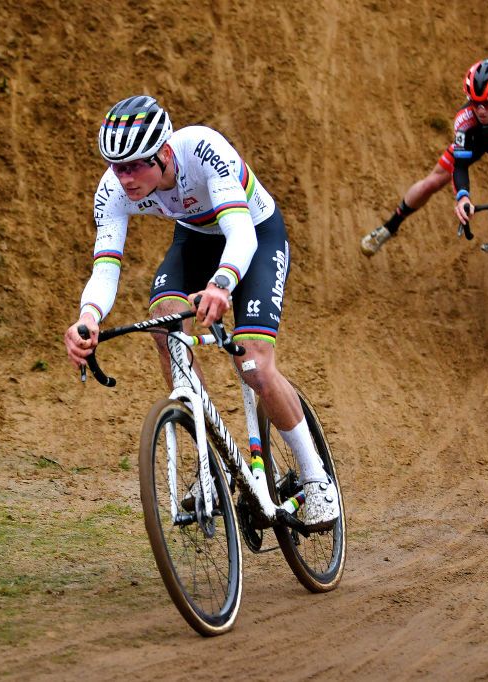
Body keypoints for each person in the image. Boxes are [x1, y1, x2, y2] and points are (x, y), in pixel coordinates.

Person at [63, 95, 339, 528]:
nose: (125, 177)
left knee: (253, 365)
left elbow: (241, 235)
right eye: (116, 166)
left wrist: (222, 283)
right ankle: (210, 469)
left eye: (135, 165)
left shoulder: (204, 150)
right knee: (165, 326)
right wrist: (89, 316)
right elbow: (105, 267)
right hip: (194, 239)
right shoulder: (113, 189)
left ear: (165, 154)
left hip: (255, 232)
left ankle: (316, 477)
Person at [360, 58, 488, 312]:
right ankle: (388, 228)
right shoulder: (466, 119)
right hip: (479, 141)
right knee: (432, 182)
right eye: (475, 102)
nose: (480, 110)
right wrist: (463, 197)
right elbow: (460, 166)